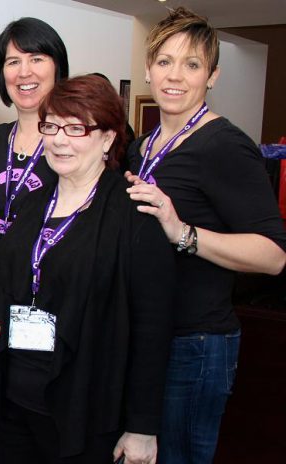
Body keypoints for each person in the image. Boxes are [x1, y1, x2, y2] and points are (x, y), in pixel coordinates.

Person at [0, 74, 174, 463]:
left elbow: (153, 330)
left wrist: (142, 426)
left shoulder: (134, 216)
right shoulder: (35, 204)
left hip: (82, 411)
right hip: (14, 402)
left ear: (108, 138)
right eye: (51, 125)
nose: (59, 139)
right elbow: (18, 286)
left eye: (76, 127)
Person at [125, 7, 286, 464]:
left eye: (192, 64)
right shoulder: (144, 146)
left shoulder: (224, 145)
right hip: (152, 337)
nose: (176, 76)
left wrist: (183, 233)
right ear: (148, 69)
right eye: (165, 61)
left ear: (212, 76)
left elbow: (274, 255)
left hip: (196, 344)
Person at [0, 17, 69, 463]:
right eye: (13, 61)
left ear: (58, 67)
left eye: (36, 58)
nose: (24, 72)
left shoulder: (75, 141)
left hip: (52, 323)